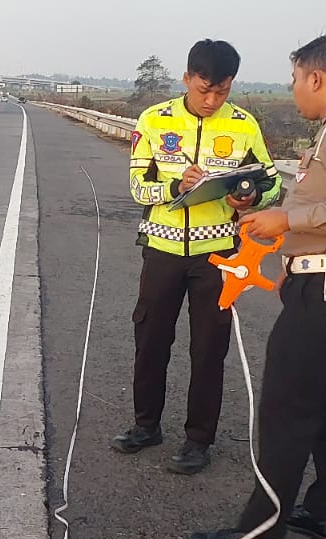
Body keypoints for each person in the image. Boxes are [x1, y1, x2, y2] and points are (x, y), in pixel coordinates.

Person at [187, 30, 326, 539]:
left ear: (317, 77)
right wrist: (284, 237)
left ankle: (261, 532)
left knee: (286, 404)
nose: (294, 88)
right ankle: (325, 512)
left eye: (296, 79)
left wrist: (290, 220)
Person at [112, 39, 282, 476]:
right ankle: (145, 425)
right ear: (186, 78)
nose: (211, 100)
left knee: (209, 347)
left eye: (221, 92)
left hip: (217, 255)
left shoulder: (244, 124)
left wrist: (251, 196)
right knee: (151, 340)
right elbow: (136, 188)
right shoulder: (154, 120)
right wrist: (174, 188)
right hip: (162, 251)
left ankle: (198, 440)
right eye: (203, 89)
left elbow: (273, 182)